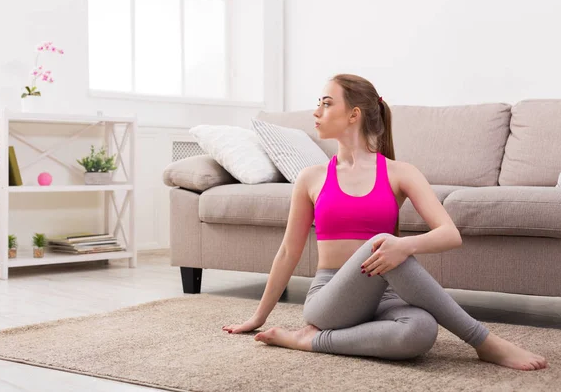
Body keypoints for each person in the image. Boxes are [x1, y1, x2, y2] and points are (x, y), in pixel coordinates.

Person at [222, 74, 548, 371]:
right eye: (317, 104)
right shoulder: (311, 178)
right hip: (330, 300)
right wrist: (258, 316)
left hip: (387, 297)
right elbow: (287, 253)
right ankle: (485, 342)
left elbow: (450, 234)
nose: (316, 112)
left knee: (421, 331)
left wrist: (404, 245)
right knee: (380, 242)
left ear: (354, 114)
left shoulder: (400, 172)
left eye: (326, 103)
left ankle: (307, 340)